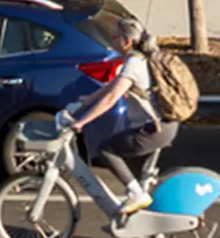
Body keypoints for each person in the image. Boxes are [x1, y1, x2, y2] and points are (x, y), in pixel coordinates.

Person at [62, 16, 173, 221]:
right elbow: (113, 87)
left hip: (155, 128)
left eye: (114, 38)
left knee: (106, 150)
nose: (112, 42)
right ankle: (136, 218)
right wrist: (87, 101)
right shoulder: (139, 59)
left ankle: (136, 194)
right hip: (164, 125)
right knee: (132, 167)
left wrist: (82, 122)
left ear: (126, 41)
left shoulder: (134, 63)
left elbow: (112, 97)